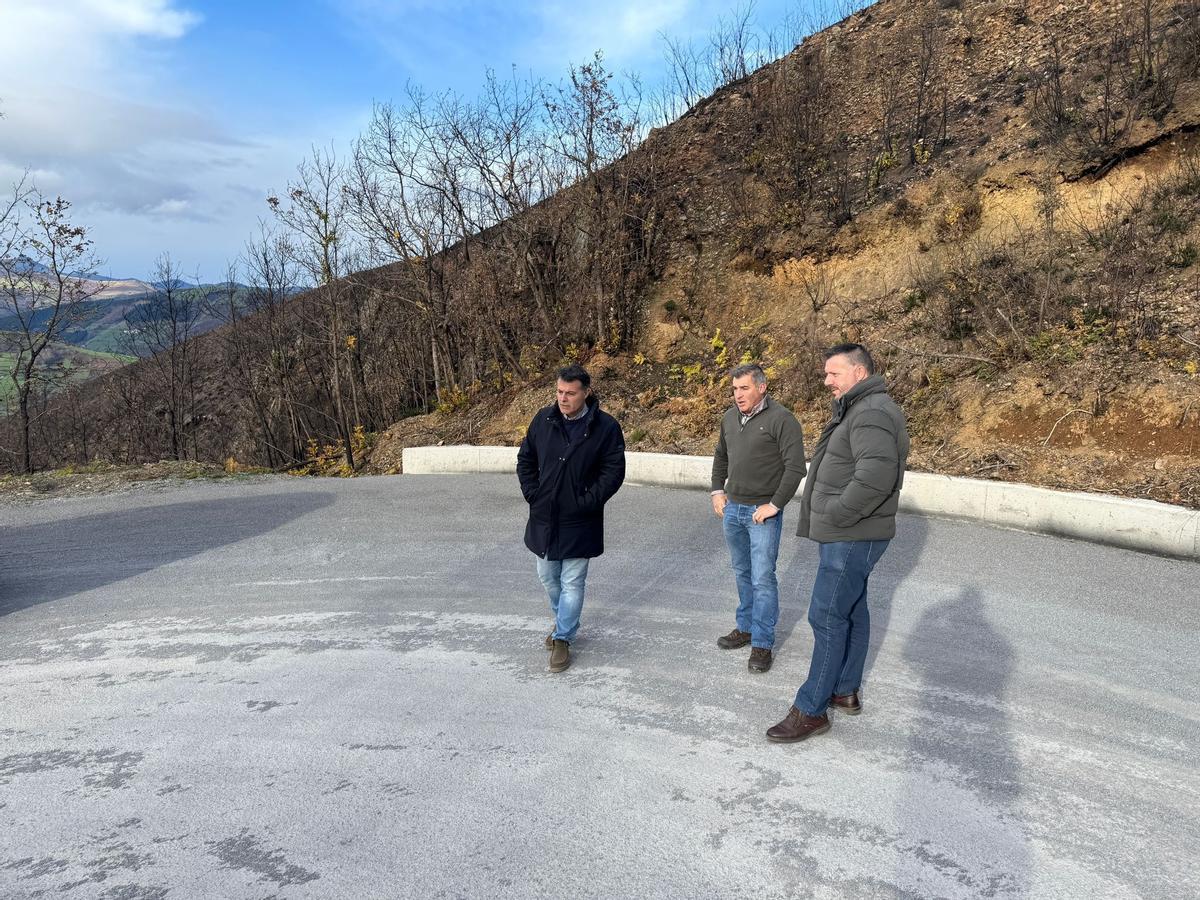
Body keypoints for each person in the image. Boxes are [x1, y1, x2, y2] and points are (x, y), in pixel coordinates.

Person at [767, 343, 910, 743]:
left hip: (852, 533)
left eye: (834, 373)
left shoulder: (872, 413)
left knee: (826, 615)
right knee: (852, 608)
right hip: (854, 532)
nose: (826, 380)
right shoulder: (862, 409)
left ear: (859, 373)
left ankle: (811, 709)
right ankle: (845, 689)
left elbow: (875, 478)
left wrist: (836, 514)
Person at [517, 364, 626, 673]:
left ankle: (563, 638)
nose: (563, 398)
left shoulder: (605, 427)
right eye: (559, 392)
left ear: (586, 393)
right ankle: (563, 620)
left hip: (580, 519)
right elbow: (526, 459)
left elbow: (613, 471)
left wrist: (587, 501)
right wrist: (532, 493)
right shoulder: (543, 419)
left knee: (572, 581)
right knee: (548, 577)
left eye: (570, 393)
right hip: (544, 516)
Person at [711, 363, 807, 673]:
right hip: (733, 509)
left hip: (760, 514)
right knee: (742, 572)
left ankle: (762, 643)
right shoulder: (729, 417)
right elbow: (721, 456)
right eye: (735, 389)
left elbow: (795, 468)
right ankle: (746, 627)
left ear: (761, 388)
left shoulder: (782, 420)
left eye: (744, 388)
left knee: (762, 578)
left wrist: (775, 505)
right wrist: (717, 491)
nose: (738, 395)